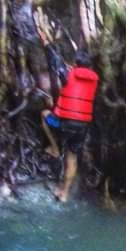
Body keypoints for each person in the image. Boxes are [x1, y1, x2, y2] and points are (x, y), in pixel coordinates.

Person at [39, 43, 99, 202]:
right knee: (72, 158)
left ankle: (54, 148)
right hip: (82, 126)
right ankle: (64, 193)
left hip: (63, 123)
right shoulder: (94, 80)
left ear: (74, 64)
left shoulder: (68, 75)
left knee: (45, 115)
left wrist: (47, 43)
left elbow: (55, 61)